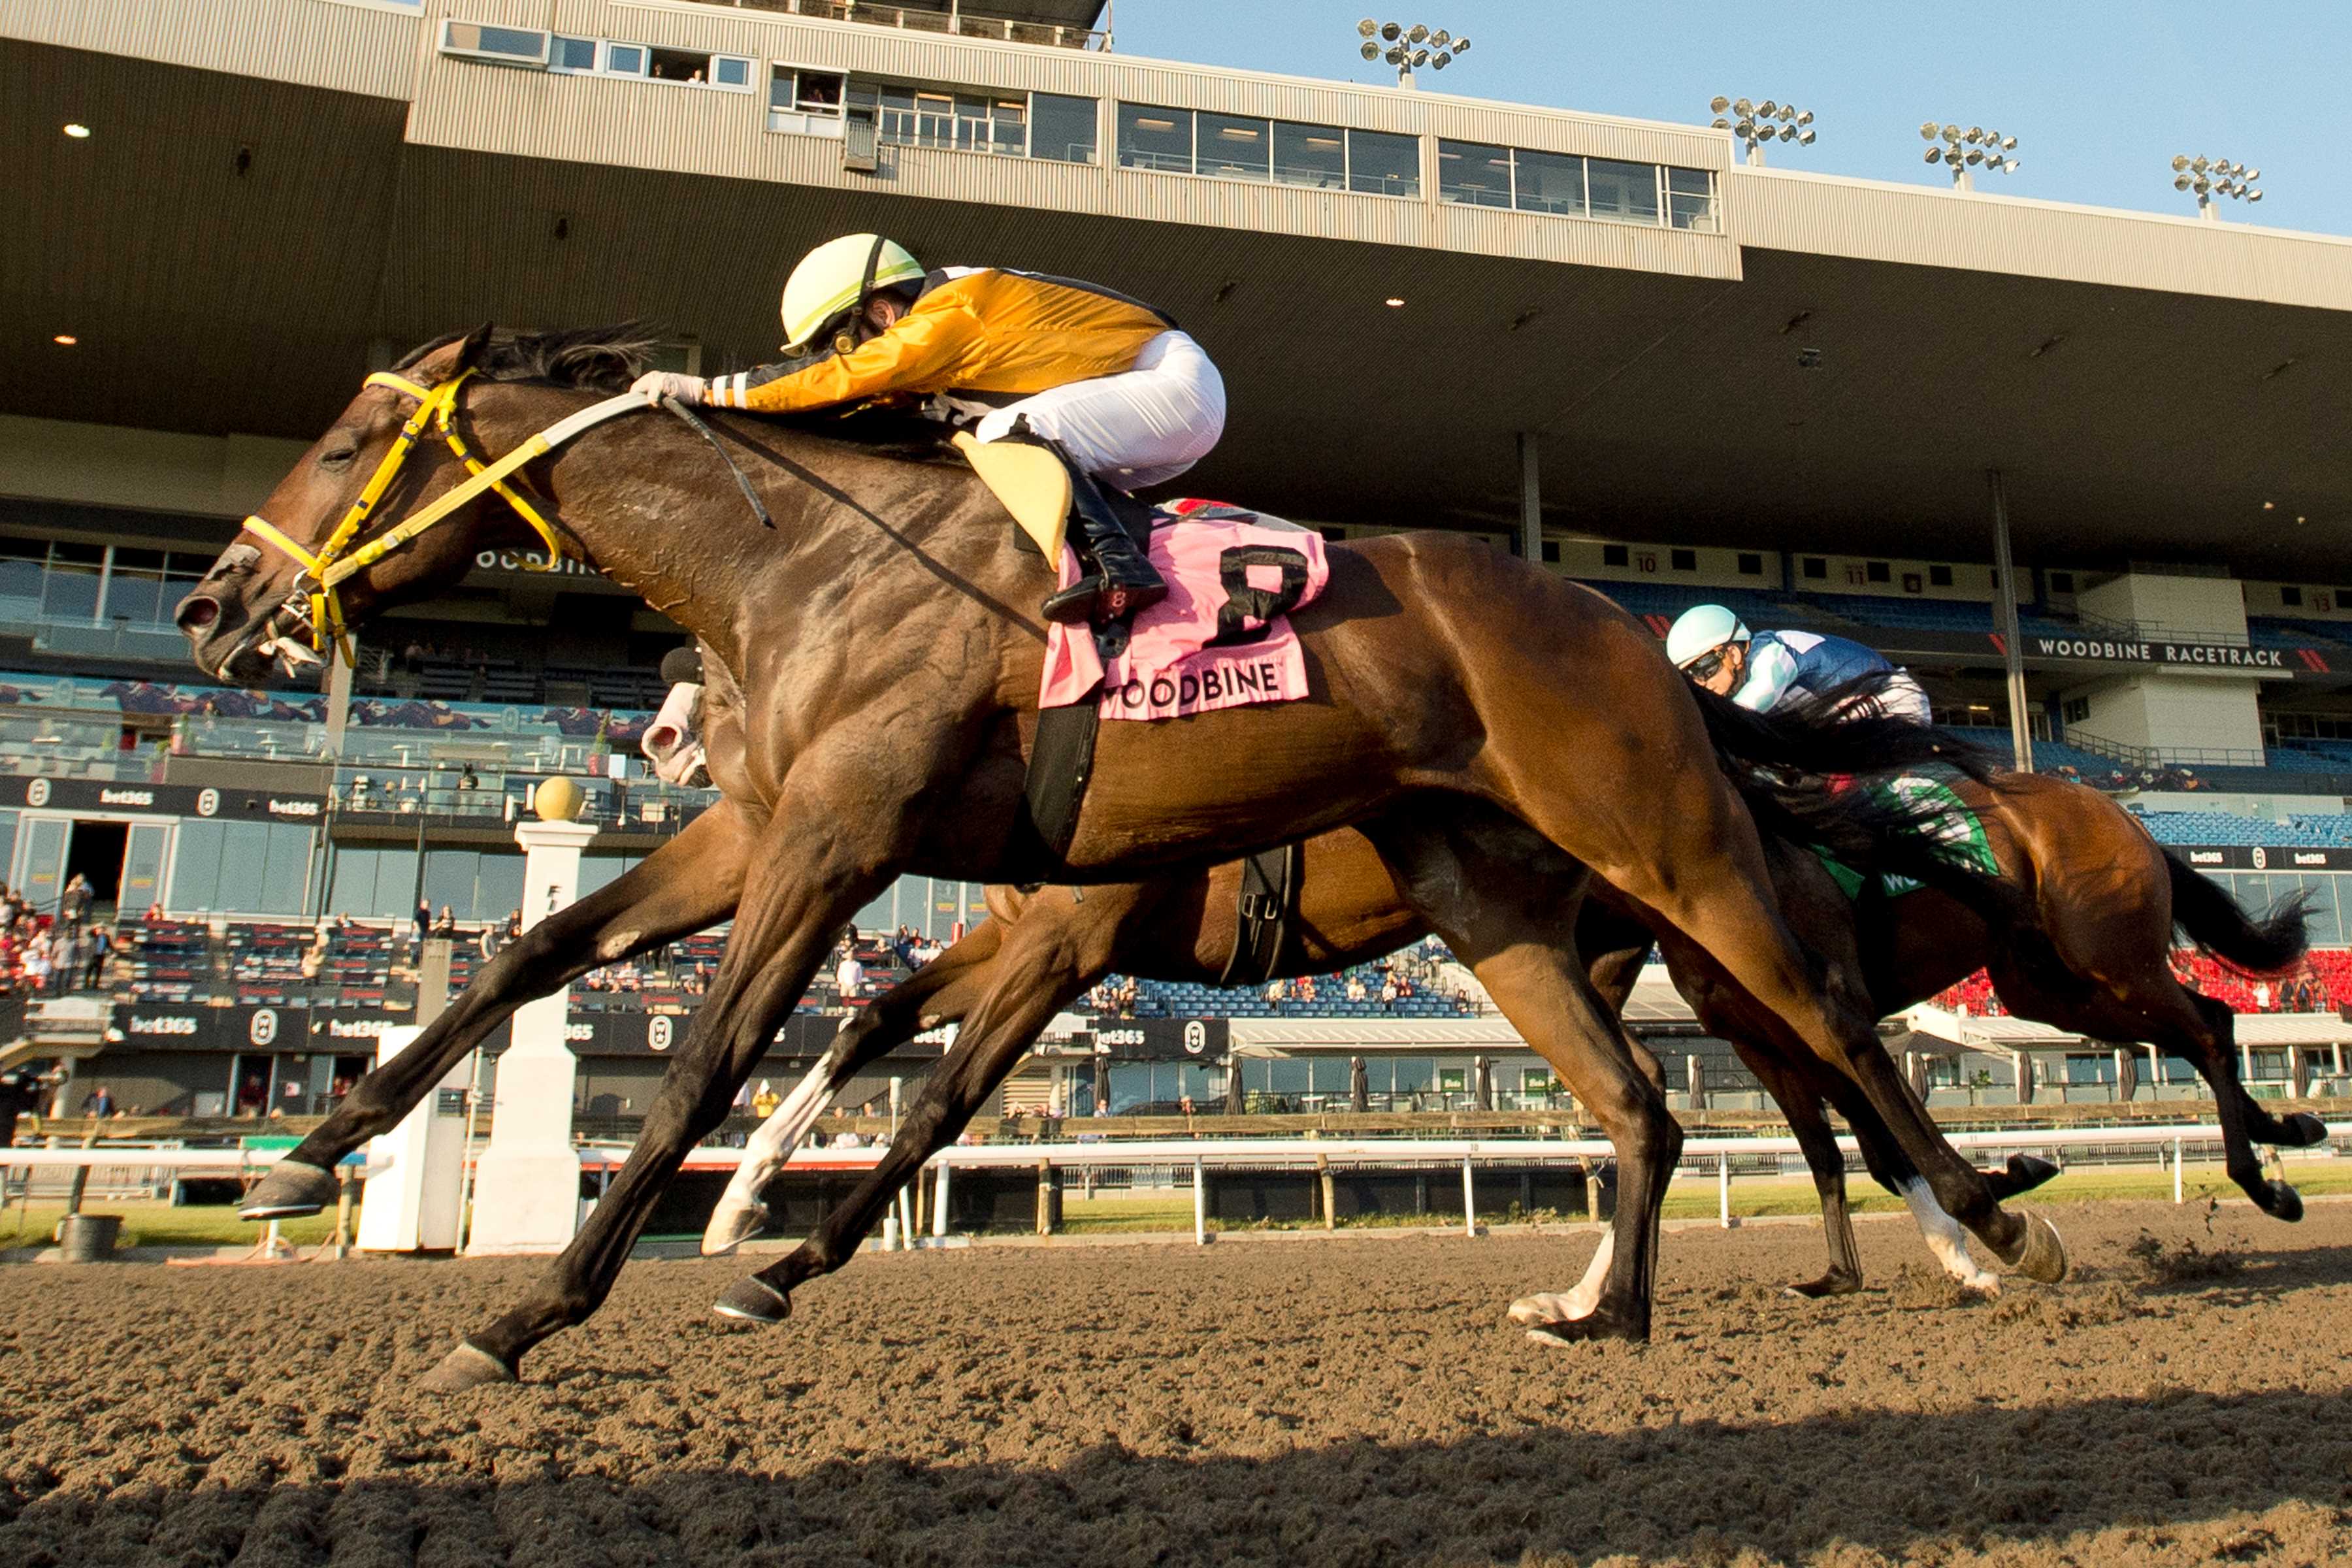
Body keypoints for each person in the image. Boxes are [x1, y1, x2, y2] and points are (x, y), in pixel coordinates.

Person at [630, 233, 1226, 626]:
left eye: (846, 337)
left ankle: (1121, 570)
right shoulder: (943, 315)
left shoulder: (954, 311)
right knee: (987, 443)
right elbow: (867, 401)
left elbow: (848, 377)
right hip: (1157, 393)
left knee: (1007, 431)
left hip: (1173, 384)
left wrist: (707, 389)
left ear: (883, 312)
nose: (848, 353)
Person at [1663, 604, 1931, 725]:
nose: (1700, 681)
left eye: (1704, 667)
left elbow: (1747, 709)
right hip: (1844, 714)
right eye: (1689, 676)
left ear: (1733, 653)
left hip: (1893, 701)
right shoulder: (1740, 681)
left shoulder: (1771, 656)